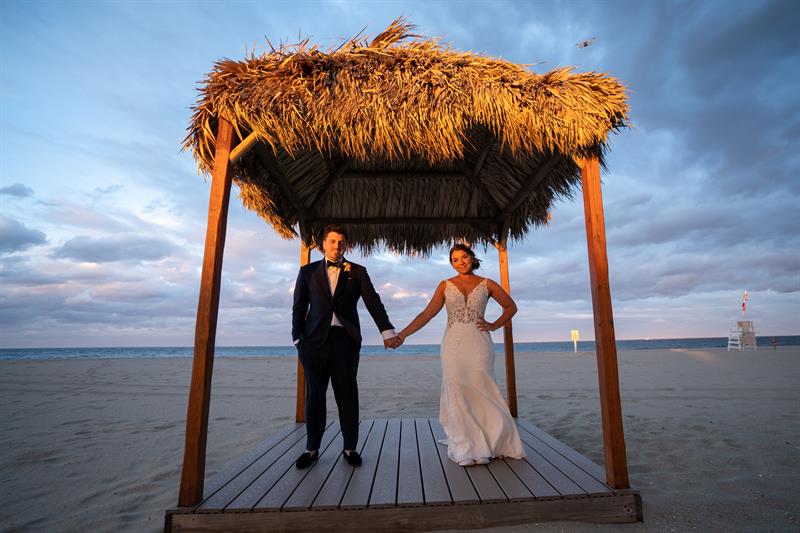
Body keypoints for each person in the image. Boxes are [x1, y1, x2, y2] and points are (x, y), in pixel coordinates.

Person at [396, 243, 525, 466]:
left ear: (472, 258)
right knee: (455, 388)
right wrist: (403, 334)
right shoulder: (445, 285)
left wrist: (494, 325)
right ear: (451, 263)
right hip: (452, 346)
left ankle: (486, 443)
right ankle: (465, 446)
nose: (460, 262)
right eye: (455, 260)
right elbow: (427, 314)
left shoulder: (487, 284)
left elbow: (511, 307)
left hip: (479, 344)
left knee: (481, 388)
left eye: (464, 257)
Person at [292, 225, 400, 469]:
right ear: (323, 244)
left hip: (345, 342)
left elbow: (373, 302)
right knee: (314, 397)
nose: (336, 246)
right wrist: (297, 339)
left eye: (341, 242)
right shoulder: (307, 272)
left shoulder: (358, 272)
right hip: (313, 343)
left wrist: (387, 331)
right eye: (332, 241)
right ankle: (312, 449)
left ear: (346, 245)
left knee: (347, 396)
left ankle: (350, 448)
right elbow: (299, 307)